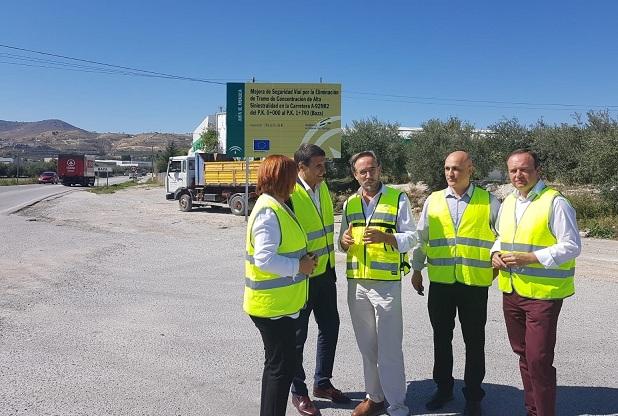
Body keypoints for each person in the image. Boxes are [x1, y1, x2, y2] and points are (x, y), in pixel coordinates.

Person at [491, 149, 581, 416]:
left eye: (524, 169)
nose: (518, 175)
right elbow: (501, 236)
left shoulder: (555, 202)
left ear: (537, 170)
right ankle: (532, 410)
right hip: (512, 290)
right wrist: (495, 254)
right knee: (523, 355)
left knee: (538, 360)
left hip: (543, 295)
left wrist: (531, 257)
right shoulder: (508, 202)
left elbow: (572, 246)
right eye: (513, 170)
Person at [411, 151, 500, 416]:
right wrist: (417, 269)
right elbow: (422, 237)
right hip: (441, 283)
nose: (451, 174)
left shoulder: (489, 201)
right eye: (447, 168)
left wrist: (495, 259)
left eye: (457, 169)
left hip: (474, 284)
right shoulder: (434, 200)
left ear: (470, 170)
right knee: (441, 339)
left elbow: (503, 235)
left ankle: (473, 396)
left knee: (474, 341)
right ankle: (444, 388)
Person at [339, 151, 416, 416]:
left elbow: (412, 238)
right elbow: (342, 242)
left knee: (390, 347)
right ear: (355, 175)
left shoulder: (397, 198)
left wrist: (387, 238)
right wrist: (344, 243)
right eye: (363, 172)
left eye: (372, 169)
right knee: (367, 346)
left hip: (386, 285)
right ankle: (375, 397)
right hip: (357, 284)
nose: (368, 175)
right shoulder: (349, 203)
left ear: (379, 169)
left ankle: (397, 404)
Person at [244, 155, 318, 416]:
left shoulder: (277, 205)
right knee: (281, 369)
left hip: (279, 305)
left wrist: (304, 260)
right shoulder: (268, 210)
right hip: (273, 307)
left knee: (276, 366)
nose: (295, 183)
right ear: (280, 178)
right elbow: (265, 259)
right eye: (291, 177)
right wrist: (299, 267)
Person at [288, 144, 350, 416]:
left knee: (330, 327)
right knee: (297, 337)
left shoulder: (323, 188)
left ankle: (322, 383)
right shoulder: (289, 193)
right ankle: (298, 392)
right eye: (318, 166)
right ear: (301, 168)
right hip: (302, 278)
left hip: (325, 273)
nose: (324, 170)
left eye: (324, 165)